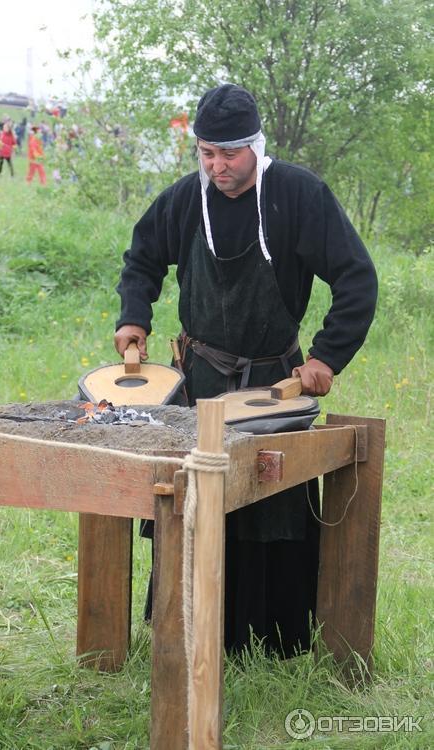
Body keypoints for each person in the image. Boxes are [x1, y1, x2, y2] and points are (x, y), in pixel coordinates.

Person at [114, 84, 378, 658]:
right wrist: (134, 316)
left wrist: (325, 357)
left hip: (273, 385)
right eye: (207, 153)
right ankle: (186, 631)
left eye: (229, 154)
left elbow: (357, 279)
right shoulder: (187, 198)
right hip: (200, 382)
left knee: (270, 499)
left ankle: (274, 641)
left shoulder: (299, 195)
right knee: (190, 500)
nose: (218, 166)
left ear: (256, 145)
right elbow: (142, 257)